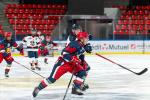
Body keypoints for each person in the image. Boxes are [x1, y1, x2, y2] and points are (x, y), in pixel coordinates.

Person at [32, 32, 92, 97]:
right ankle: (38, 88)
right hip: (62, 64)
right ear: (81, 39)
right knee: (52, 79)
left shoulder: (82, 45)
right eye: (86, 38)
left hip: (72, 64)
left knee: (82, 72)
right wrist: (73, 59)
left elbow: (80, 54)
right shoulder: (74, 44)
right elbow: (64, 53)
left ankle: (76, 87)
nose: (88, 39)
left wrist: (84, 54)